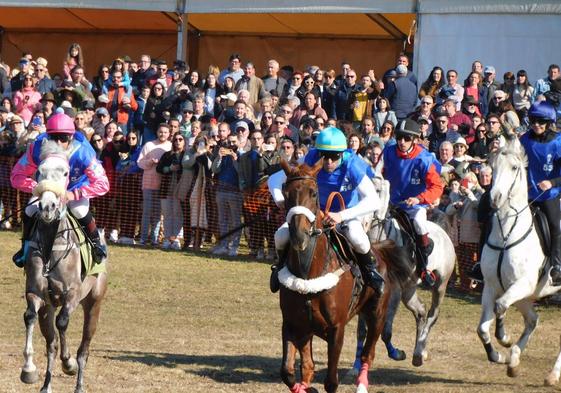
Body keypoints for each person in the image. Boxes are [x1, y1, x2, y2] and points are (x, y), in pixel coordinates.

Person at [268, 126, 385, 294]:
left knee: (358, 238)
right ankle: (279, 266)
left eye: (334, 156)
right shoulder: (311, 158)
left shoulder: (352, 165)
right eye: (325, 156)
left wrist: (341, 215)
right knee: (280, 236)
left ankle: (369, 271)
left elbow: (373, 200)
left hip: (346, 213)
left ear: (342, 153)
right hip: (314, 214)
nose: (328, 162)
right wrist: (279, 199)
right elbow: (275, 179)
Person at [10, 111, 109, 266]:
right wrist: (38, 187)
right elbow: (16, 176)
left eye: (62, 138)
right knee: (29, 210)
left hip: (75, 189)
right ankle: (25, 247)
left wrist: (74, 194)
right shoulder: (36, 147)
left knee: (79, 210)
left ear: (70, 137)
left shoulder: (83, 152)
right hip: (47, 190)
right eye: (53, 137)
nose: (57, 143)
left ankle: (96, 244)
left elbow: (103, 183)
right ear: (47, 136)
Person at [382, 119, 444, 286]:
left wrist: (419, 198)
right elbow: (380, 172)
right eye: (399, 137)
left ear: (415, 140)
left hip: (414, 205)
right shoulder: (388, 152)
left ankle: (424, 268)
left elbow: (437, 186)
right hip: (391, 203)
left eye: (406, 138)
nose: (401, 142)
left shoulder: (424, 159)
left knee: (419, 224)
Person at [519, 101, 561, 285]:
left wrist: (551, 182)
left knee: (556, 227)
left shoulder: (558, 142)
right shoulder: (524, 140)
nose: (536, 124)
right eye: (533, 120)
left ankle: (556, 267)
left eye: (541, 121)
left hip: (551, 194)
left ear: (549, 122)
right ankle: (483, 264)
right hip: (526, 193)